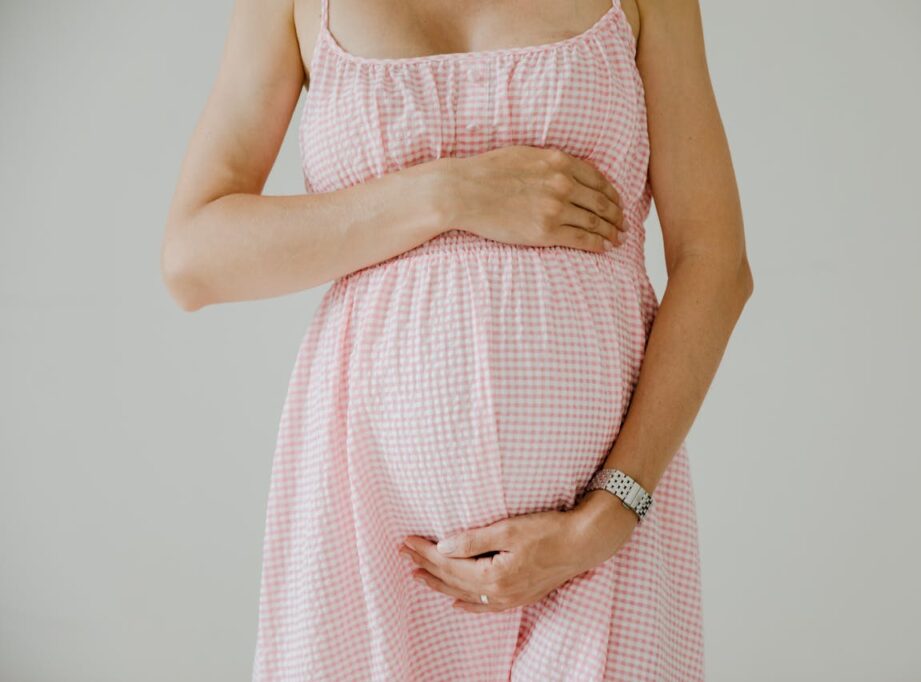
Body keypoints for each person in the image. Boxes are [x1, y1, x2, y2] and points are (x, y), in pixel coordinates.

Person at [161, 0, 752, 678]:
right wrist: (450, 193)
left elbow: (716, 261)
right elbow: (194, 258)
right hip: (372, 528)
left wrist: (608, 515)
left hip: (601, 540)